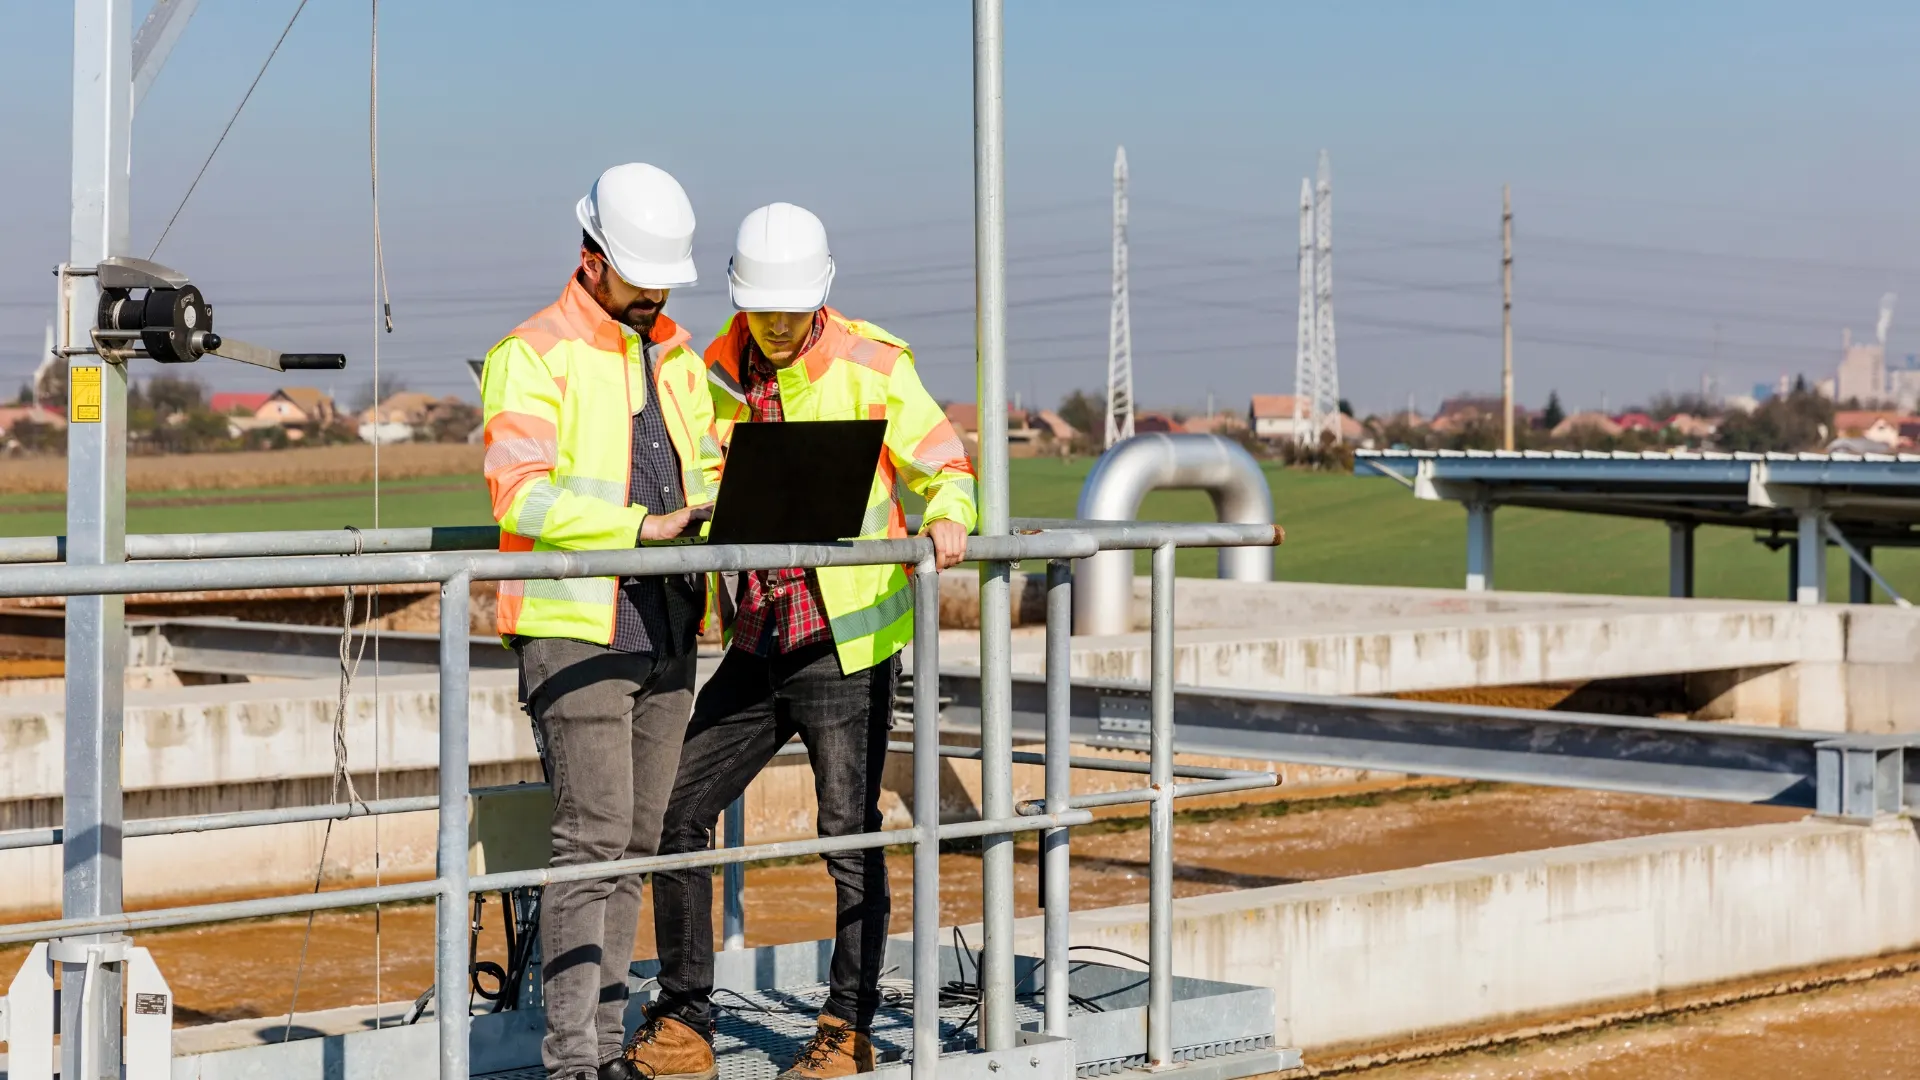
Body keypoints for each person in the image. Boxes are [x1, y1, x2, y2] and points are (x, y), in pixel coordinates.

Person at [624, 203, 975, 1080]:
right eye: (762, 313)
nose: (776, 329)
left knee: (848, 838)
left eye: (789, 313)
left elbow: (944, 463)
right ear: (742, 301)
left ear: (818, 298)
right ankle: (686, 1024)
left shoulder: (872, 361)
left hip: (843, 643)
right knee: (678, 814)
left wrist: (950, 517)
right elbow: (703, 473)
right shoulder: (709, 369)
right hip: (755, 638)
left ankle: (846, 1033)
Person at [480, 162, 722, 1080]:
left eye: (665, 278)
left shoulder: (680, 355)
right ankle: (571, 1062)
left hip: (665, 625)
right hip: (577, 626)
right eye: (640, 276)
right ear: (591, 257)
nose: (655, 292)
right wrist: (635, 528)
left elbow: (700, 470)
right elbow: (521, 495)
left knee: (639, 843)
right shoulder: (531, 353)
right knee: (594, 839)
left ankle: (611, 1049)